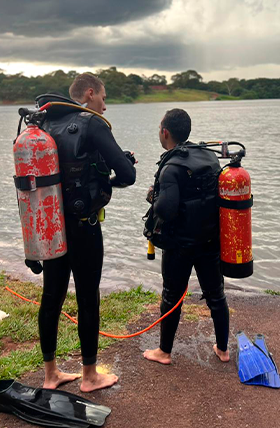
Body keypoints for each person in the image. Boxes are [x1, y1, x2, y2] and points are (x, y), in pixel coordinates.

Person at [35, 73, 136, 392]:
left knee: (51, 297)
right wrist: (116, 170)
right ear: (90, 94)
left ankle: (50, 374)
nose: (104, 106)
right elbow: (128, 175)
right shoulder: (90, 124)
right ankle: (90, 376)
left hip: (50, 225)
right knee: (88, 298)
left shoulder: (43, 125)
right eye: (103, 99)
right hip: (84, 228)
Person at [143, 109, 230, 365]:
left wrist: (152, 196)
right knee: (216, 295)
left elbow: (166, 210)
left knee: (171, 295)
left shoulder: (171, 166)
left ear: (165, 132)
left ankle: (164, 352)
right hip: (210, 241)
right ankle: (223, 350)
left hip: (179, 246)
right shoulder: (209, 157)